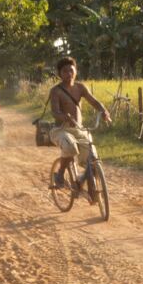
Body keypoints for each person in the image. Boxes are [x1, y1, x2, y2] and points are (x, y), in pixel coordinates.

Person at [48, 57, 112, 196]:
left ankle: (84, 185)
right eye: (65, 71)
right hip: (61, 130)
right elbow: (55, 112)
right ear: (60, 74)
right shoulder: (56, 91)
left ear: (76, 71)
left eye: (71, 70)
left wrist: (104, 111)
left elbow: (94, 102)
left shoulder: (80, 87)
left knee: (92, 158)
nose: (69, 74)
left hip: (79, 129)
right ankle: (59, 175)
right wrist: (65, 117)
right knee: (70, 147)